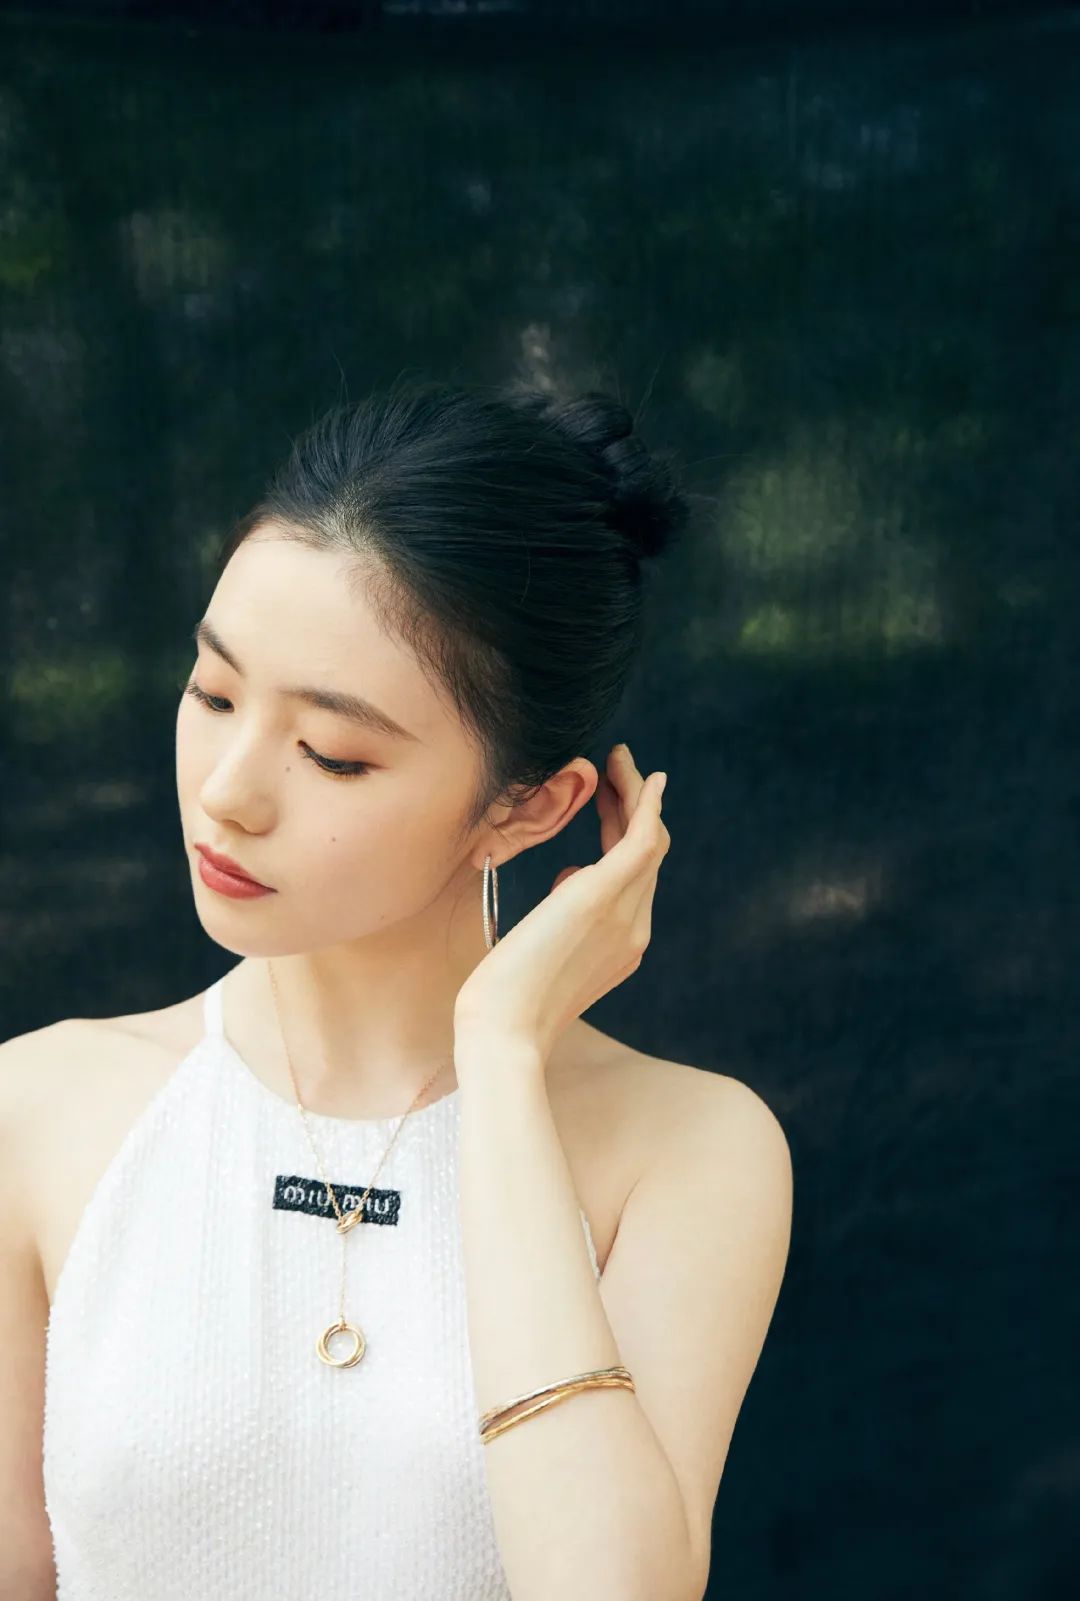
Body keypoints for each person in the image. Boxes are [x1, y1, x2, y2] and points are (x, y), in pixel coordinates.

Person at [1, 376, 792, 1600]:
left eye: (332, 753)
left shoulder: (686, 1150)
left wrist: (503, 1056)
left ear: (528, 807)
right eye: (213, 694)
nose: (228, 791)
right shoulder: (42, 1104)